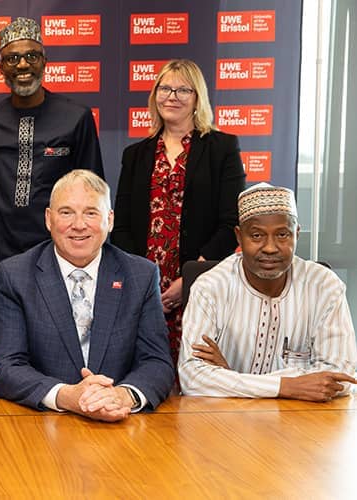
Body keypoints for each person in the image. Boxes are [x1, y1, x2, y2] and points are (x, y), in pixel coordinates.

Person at [0, 170, 173, 422]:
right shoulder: (15, 276)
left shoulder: (140, 275)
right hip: (41, 425)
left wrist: (122, 396)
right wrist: (68, 396)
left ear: (109, 220)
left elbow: (157, 362)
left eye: (90, 212)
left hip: (121, 423)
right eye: (66, 212)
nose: (78, 225)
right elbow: (7, 367)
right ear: (48, 219)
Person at [112, 59, 246, 366]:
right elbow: (121, 228)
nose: (172, 96)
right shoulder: (135, 154)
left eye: (183, 89)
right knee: (146, 374)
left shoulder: (222, 148)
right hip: (143, 288)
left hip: (202, 283)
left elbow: (231, 223)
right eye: (165, 88)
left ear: (197, 97)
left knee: (196, 377)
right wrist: (143, 283)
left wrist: (191, 279)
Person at [0, 17, 104, 313]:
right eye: (12, 58)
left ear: (45, 61)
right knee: (6, 355)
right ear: (0, 65)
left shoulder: (76, 118)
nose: (23, 65)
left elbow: (94, 194)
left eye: (32, 56)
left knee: (58, 354)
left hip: (60, 261)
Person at [179, 183, 357, 400]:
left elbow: (342, 378)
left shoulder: (324, 286)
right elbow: (192, 378)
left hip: (301, 422)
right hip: (227, 423)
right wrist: (287, 386)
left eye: (282, 235)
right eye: (256, 235)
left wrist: (230, 377)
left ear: (297, 234)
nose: (270, 247)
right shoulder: (210, 288)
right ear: (238, 236)